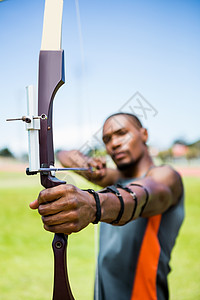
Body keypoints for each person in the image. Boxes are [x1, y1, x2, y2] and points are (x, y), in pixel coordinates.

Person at [30, 113, 184, 300]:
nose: (114, 143)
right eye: (107, 139)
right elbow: (64, 155)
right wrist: (86, 164)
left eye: (122, 133)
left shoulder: (166, 177)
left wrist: (93, 203)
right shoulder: (114, 178)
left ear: (144, 134)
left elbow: (139, 196)